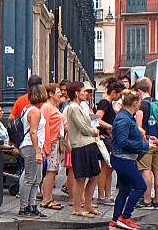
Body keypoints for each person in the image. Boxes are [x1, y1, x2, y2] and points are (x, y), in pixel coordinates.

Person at [109, 90, 156, 230]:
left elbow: (128, 137)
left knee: (125, 190)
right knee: (141, 186)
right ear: (135, 103)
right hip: (123, 158)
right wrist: (145, 146)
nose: (141, 104)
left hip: (124, 158)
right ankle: (125, 217)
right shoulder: (124, 118)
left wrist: (147, 141)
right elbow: (123, 141)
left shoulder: (127, 116)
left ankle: (116, 219)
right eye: (140, 102)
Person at [64, 82, 102, 218]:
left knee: (94, 175)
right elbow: (83, 127)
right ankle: (77, 208)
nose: (86, 93)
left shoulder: (79, 107)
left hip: (87, 144)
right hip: (81, 146)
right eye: (84, 91)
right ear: (76, 93)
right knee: (80, 178)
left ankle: (88, 205)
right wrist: (94, 131)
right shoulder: (73, 108)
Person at [132, 77, 158, 210]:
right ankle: (157, 200)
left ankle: (146, 200)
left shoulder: (142, 106)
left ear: (139, 91)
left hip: (147, 142)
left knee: (146, 170)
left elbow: (139, 127)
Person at [19, 84, 48, 218]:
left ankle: (32, 206)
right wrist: (37, 151)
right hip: (31, 146)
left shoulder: (27, 109)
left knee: (36, 178)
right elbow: (33, 132)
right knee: (30, 178)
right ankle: (24, 207)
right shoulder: (35, 112)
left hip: (32, 146)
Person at [97, 79, 125, 205]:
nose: (120, 97)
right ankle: (101, 195)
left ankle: (107, 194)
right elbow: (97, 119)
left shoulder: (108, 104)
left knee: (109, 168)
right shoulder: (105, 103)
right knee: (105, 168)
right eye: (120, 94)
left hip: (108, 139)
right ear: (114, 92)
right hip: (105, 139)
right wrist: (110, 127)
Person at [39, 83, 65, 210]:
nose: (60, 94)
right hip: (51, 143)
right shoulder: (46, 107)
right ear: (50, 93)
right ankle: (46, 199)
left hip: (55, 142)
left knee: (53, 171)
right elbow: (45, 127)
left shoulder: (53, 107)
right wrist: (46, 146)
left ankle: (49, 197)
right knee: (50, 171)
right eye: (58, 91)